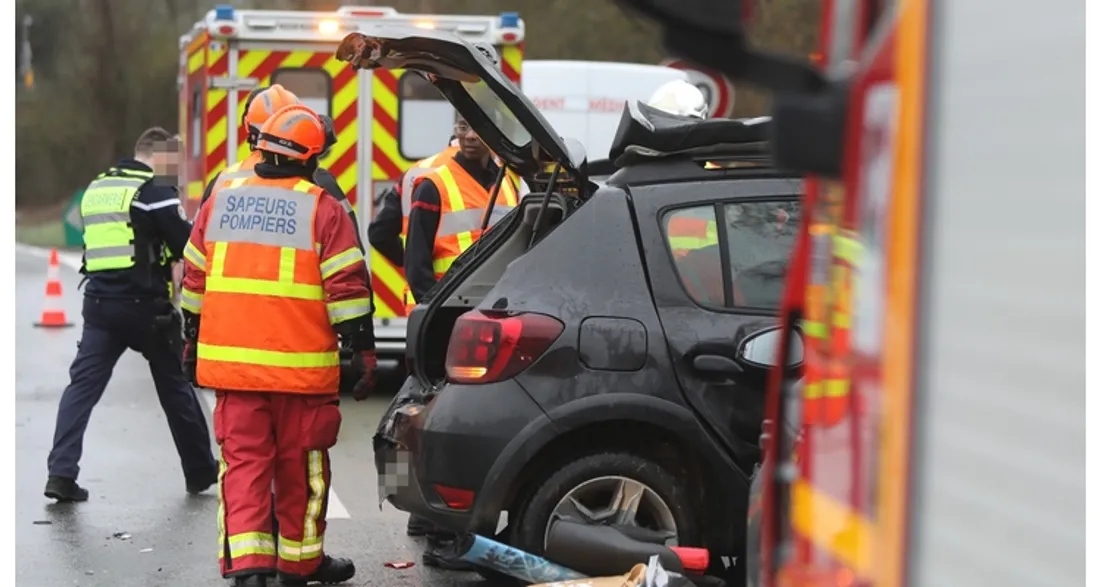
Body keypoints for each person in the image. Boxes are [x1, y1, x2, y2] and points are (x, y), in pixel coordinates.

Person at [180, 104, 377, 587]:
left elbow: (193, 281)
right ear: (310, 158)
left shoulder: (221, 201)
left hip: (234, 371)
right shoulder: (323, 208)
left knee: (243, 467)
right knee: (302, 470)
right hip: (300, 372)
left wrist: (191, 341)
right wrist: (362, 353)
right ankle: (299, 563)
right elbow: (348, 292)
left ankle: (249, 567)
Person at [44, 127, 218, 502]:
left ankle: (60, 473)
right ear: (158, 155)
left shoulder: (97, 188)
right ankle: (201, 470)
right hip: (145, 309)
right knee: (176, 387)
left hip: (98, 306)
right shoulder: (153, 191)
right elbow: (187, 244)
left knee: (80, 389)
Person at [403, 115, 520, 309]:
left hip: (496, 305)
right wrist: (432, 310)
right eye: (463, 127)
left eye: (478, 128)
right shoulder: (433, 186)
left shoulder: (507, 184)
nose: (470, 136)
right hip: (449, 304)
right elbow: (416, 262)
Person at [367, 136, 460, 268]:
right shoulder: (486, 170)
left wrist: (413, 261)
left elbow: (379, 234)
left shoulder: (417, 171)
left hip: (431, 280)